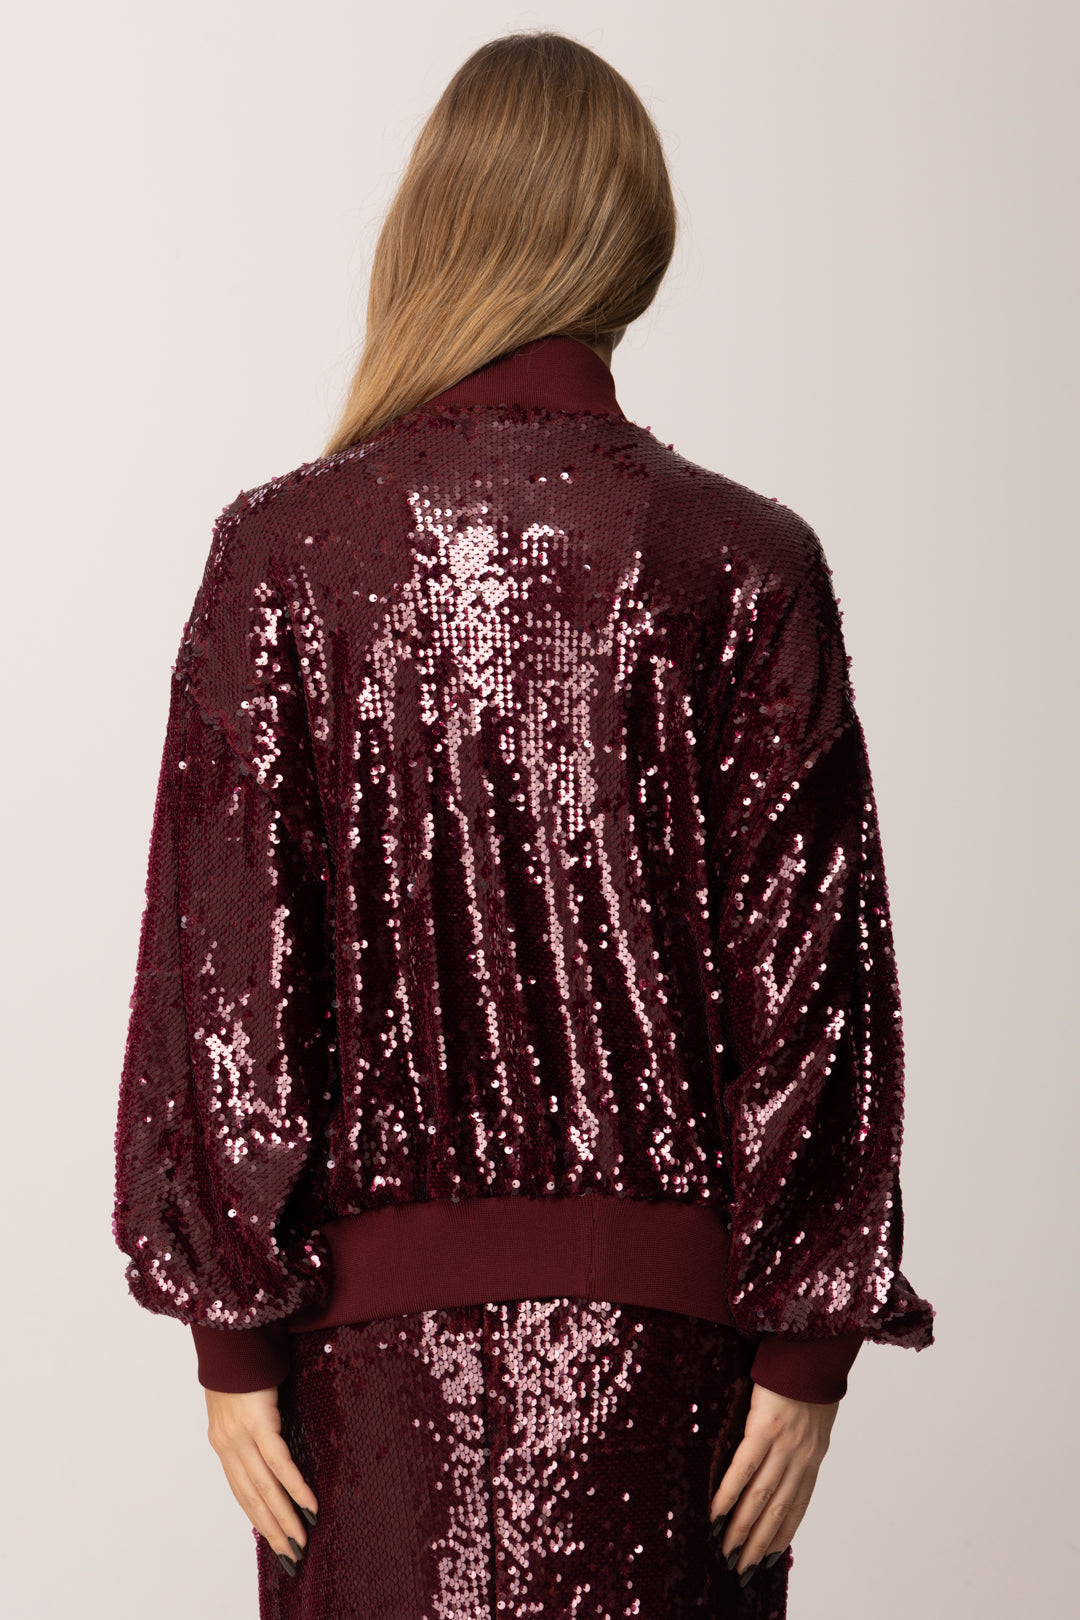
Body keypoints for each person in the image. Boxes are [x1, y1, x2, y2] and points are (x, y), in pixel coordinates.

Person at [112, 28, 935, 1619]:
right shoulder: (745, 561)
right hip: (676, 1386)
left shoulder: (284, 554)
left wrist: (230, 1335)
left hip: (364, 1399)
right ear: (635, 243)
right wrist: (804, 1346)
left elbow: (226, 973)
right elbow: (811, 984)